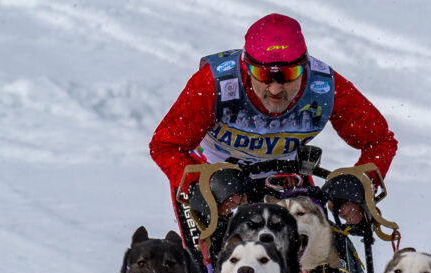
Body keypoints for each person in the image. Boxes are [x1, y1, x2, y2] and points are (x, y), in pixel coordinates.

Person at [149, 13, 398, 244]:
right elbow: (165, 145)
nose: (276, 89)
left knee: (312, 263)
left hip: (284, 176)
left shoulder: (325, 87)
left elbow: (379, 141)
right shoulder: (214, 83)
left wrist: (360, 183)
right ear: (246, 68)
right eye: (263, 74)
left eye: (289, 74)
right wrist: (202, 182)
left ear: (305, 67)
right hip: (215, 173)